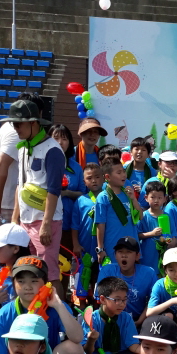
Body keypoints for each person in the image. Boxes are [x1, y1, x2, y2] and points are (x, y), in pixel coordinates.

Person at [5, 99, 65, 287]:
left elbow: (54, 189)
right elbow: (20, 184)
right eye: (13, 124)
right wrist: (15, 219)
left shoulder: (53, 149)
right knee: (28, 271)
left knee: (49, 273)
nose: (15, 128)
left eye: (18, 124)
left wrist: (46, 224)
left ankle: (56, 307)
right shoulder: (23, 147)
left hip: (46, 221)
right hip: (25, 220)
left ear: (33, 123)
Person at [0, 91, 42, 237]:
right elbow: (2, 165)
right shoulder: (17, 131)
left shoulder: (9, 126)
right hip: (3, 204)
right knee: (6, 246)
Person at [82, 275, 140, 354]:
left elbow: (132, 345)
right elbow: (88, 351)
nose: (122, 304)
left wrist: (145, 351)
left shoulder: (126, 318)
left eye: (124, 300)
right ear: (103, 299)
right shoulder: (92, 319)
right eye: (117, 300)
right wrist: (91, 340)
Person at [97, 236, 157, 327]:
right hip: (112, 320)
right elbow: (101, 301)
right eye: (120, 252)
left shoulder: (149, 273)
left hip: (140, 320)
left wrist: (139, 322)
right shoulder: (107, 271)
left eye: (129, 252)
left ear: (137, 256)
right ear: (115, 255)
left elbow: (153, 301)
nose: (124, 255)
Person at [95, 160, 142, 265]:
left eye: (123, 171)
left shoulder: (127, 193)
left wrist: (133, 199)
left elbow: (140, 216)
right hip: (113, 246)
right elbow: (100, 224)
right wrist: (100, 249)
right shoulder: (103, 197)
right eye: (119, 172)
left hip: (131, 245)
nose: (123, 175)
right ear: (108, 177)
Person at [50, 123, 85, 256]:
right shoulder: (43, 163)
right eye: (56, 138)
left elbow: (83, 193)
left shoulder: (76, 167)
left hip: (69, 223)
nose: (60, 142)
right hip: (47, 222)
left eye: (64, 139)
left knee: (66, 261)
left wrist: (66, 193)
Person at [71, 161, 104, 302]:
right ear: (84, 181)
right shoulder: (81, 201)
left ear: (103, 178)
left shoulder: (108, 199)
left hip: (102, 247)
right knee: (82, 277)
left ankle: (98, 306)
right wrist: (76, 244)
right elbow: (75, 225)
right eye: (89, 178)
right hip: (84, 247)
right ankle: (81, 306)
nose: (94, 180)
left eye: (97, 177)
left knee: (100, 278)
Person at [147, 247, 177, 319]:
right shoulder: (159, 285)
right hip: (165, 323)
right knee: (168, 316)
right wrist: (172, 301)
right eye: (171, 270)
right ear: (165, 270)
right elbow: (149, 313)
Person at [138, 179, 168, 273]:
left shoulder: (167, 216)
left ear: (165, 199)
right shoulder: (143, 216)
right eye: (152, 197)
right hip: (147, 257)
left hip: (163, 257)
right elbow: (138, 235)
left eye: (159, 198)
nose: (156, 200)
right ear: (146, 198)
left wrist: (168, 240)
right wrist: (152, 233)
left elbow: (172, 236)